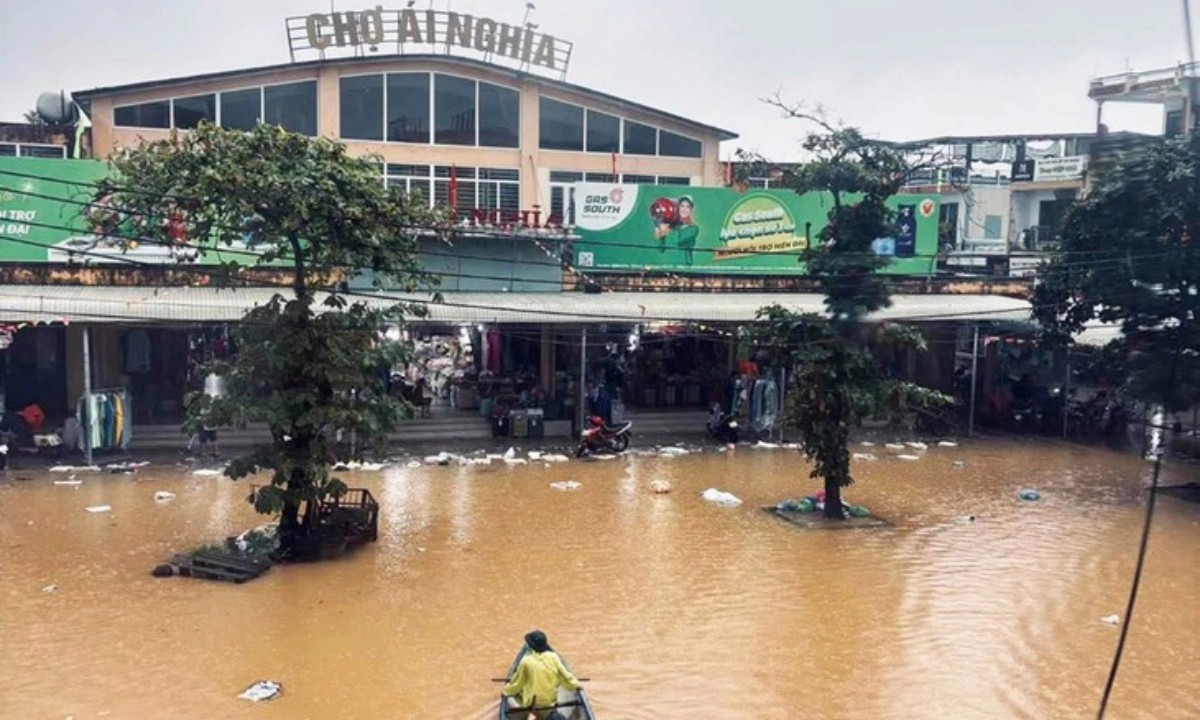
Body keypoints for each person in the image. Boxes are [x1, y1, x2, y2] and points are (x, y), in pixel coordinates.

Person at [503, 631, 581, 719]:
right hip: (550, 702)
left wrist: (506, 691)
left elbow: (517, 684)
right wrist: (576, 685)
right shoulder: (553, 657)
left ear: (531, 646)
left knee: (515, 692)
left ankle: (530, 713)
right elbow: (566, 677)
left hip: (531, 704)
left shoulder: (526, 661)